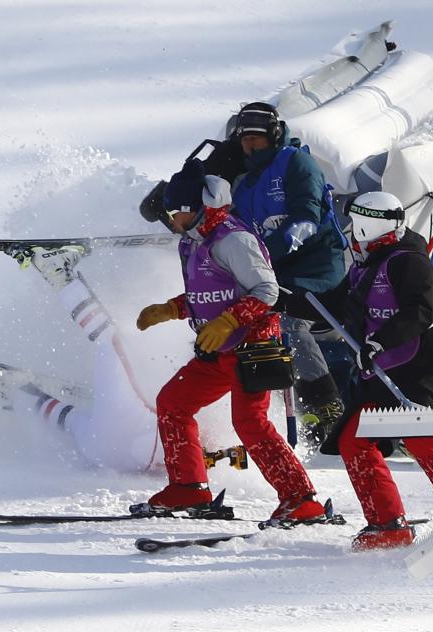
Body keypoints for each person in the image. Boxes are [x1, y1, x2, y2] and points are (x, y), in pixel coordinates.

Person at [279, 191, 433, 549]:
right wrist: (286, 301)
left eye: (360, 225)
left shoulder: (409, 261)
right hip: (386, 366)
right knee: (354, 440)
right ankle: (388, 524)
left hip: (422, 364)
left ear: (376, 226)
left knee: (422, 436)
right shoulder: (367, 263)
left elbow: (417, 312)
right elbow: (338, 305)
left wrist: (379, 343)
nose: (355, 232)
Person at [136, 158, 327, 523]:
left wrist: (229, 321)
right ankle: (188, 489)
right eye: (170, 211)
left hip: (252, 349)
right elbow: (209, 294)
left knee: (250, 423)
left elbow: (267, 289)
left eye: (178, 211)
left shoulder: (234, 239)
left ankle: (301, 499)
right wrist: (169, 309)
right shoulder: (192, 242)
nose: (172, 220)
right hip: (215, 352)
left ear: (202, 206)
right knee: (173, 403)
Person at [229, 102, 350, 442]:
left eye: (259, 140)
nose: (252, 147)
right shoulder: (244, 185)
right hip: (275, 272)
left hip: (317, 267)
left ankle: (326, 407)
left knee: (287, 323)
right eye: (246, 140)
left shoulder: (296, 163)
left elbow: (308, 211)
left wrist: (297, 232)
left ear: (275, 136)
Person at [0, 242, 164, 472]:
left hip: (133, 421)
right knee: (72, 420)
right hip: (101, 454)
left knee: (108, 340)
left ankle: (57, 272)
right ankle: (20, 392)